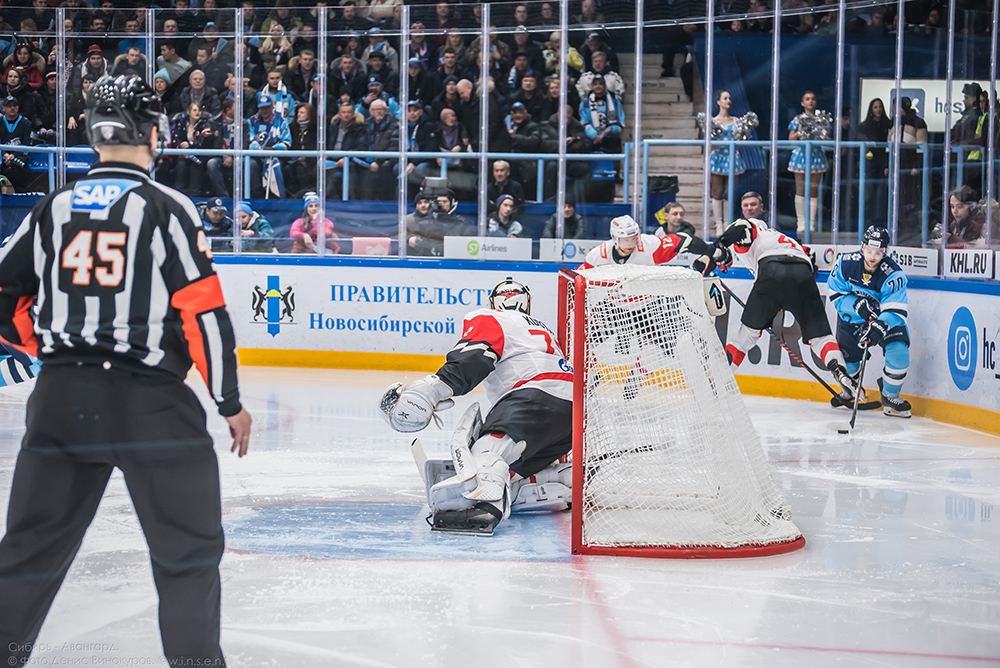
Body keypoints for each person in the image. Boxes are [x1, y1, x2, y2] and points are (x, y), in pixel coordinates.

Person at [0, 73, 251, 668]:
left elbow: (3, 291)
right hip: (151, 402)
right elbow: (203, 312)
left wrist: (50, 352)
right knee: (187, 556)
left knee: (28, 556)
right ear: (151, 134)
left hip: (62, 399)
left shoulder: (52, 208)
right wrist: (229, 401)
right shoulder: (167, 208)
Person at [380, 277, 573, 534]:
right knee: (516, 462)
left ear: (494, 302)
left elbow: (476, 354)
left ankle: (485, 506)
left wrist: (432, 389)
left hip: (534, 395)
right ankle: (561, 479)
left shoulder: (491, 317)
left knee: (488, 453)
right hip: (574, 408)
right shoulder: (544, 330)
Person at [712, 217, 858, 402]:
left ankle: (717, 381)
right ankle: (840, 371)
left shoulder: (756, 231)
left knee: (745, 336)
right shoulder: (788, 241)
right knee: (821, 338)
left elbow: (742, 227)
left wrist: (718, 246)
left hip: (771, 272)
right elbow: (810, 259)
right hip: (803, 275)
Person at [827, 226, 911, 417]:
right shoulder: (846, 263)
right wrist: (855, 305)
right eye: (869, 251)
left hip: (883, 319)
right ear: (862, 247)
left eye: (879, 252)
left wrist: (880, 326)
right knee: (848, 360)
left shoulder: (893, 274)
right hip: (853, 319)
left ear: (885, 252)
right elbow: (835, 294)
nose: (873, 256)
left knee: (899, 352)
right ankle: (850, 391)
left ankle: (890, 395)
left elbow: (895, 309)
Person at [702, 91, 756, 235]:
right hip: (718, 158)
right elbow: (707, 142)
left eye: (730, 98)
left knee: (729, 192)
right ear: (718, 102)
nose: (728, 101)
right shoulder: (713, 122)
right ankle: (718, 224)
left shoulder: (737, 121)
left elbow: (742, 140)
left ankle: (727, 223)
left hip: (732, 158)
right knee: (717, 191)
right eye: (725, 98)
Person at [788, 91, 831, 236]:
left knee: (813, 190)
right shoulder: (798, 119)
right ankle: (800, 222)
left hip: (816, 156)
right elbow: (791, 138)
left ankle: (811, 223)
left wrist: (820, 131)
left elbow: (827, 138)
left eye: (813, 99)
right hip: (801, 156)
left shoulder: (821, 119)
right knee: (800, 189)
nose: (810, 101)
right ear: (802, 103)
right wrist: (802, 130)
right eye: (807, 99)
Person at [859, 97, 892, 228]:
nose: (878, 110)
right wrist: (866, 154)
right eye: (875, 107)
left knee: (881, 194)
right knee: (870, 192)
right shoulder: (864, 126)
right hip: (870, 164)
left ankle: (880, 221)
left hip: (883, 163)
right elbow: (860, 144)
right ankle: (869, 221)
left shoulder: (888, 124)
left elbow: (889, 147)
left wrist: (886, 165)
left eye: (880, 107)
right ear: (871, 110)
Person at [0, 95, 31, 193]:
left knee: (17, 171)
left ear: (18, 107)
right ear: (3, 108)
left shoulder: (26, 123)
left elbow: (26, 144)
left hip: (18, 157)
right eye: (9, 106)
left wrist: (13, 156)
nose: (12, 108)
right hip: (2, 157)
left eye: (14, 105)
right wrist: (4, 154)